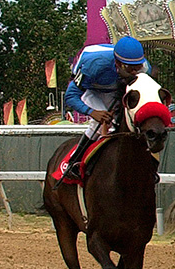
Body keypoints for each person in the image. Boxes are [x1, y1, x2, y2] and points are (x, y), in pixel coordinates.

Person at [60, 36, 151, 181]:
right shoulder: (94, 65)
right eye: (130, 68)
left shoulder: (144, 68)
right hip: (92, 90)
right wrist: (92, 112)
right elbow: (71, 96)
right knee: (100, 120)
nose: (135, 72)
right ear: (117, 63)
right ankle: (74, 162)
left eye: (137, 67)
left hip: (114, 90)